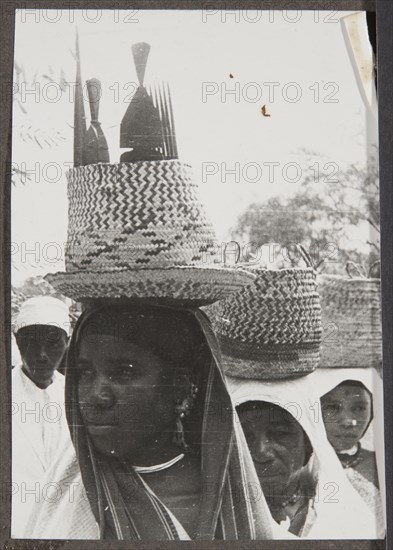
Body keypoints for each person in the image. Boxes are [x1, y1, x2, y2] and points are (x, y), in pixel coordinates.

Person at [24, 303, 278, 540]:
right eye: (86, 373)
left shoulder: (226, 493)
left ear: (179, 388)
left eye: (124, 372)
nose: (97, 396)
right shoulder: (65, 488)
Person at [11, 296, 71, 537]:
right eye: (31, 343)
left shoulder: (73, 395)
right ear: (17, 342)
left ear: (67, 343)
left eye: (53, 343)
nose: (42, 354)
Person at [311, 367, 385, 537]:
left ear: (373, 411)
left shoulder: (381, 466)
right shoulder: (300, 467)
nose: (348, 422)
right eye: (332, 408)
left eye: (359, 409)